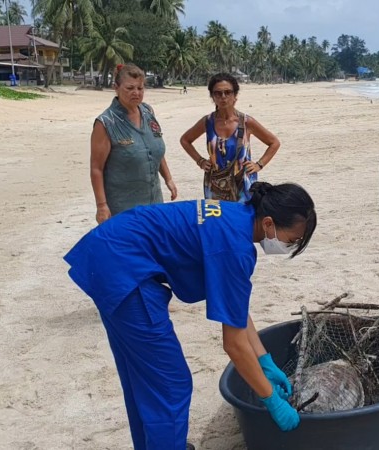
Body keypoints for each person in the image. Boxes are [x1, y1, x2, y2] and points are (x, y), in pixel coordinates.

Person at [64, 181, 316, 450]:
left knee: (142, 377)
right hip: (125, 269)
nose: (289, 246)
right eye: (292, 240)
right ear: (268, 223)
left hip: (111, 252)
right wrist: (271, 399)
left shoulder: (236, 218)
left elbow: (236, 312)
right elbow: (233, 344)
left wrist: (266, 362)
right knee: (171, 384)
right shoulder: (236, 248)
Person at [90, 63, 178, 224]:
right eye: (129, 88)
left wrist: (168, 179)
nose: (136, 93)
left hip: (154, 203)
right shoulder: (105, 123)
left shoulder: (147, 112)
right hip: (123, 208)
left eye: (140, 88)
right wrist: (101, 206)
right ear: (116, 87)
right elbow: (96, 168)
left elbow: (155, 149)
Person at [179, 73, 280, 202]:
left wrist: (259, 164)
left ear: (235, 95)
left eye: (228, 92)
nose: (223, 97)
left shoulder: (246, 122)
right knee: (218, 220)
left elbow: (274, 142)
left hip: (243, 184)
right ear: (212, 97)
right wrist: (200, 161)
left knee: (242, 219)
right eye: (218, 93)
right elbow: (185, 140)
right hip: (215, 184)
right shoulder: (208, 122)